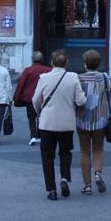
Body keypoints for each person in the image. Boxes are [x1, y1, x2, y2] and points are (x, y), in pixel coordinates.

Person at [32, 50, 86, 201]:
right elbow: (81, 101)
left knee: (47, 156)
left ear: (52, 63)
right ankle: (64, 178)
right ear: (66, 63)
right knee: (65, 153)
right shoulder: (73, 77)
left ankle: (51, 189)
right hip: (66, 123)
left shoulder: (44, 78)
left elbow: (35, 99)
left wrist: (40, 112)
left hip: (47, 123)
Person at [76, 50, 111, 195]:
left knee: (84, 150)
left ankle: (87, 185)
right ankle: (98, 174)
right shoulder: (105, 78)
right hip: (101, 119)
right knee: (98, 148)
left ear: (85, 64)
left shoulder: (78, 79)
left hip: (82, 120)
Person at [13, 51, 52, 145]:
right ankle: (41, 135)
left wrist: (16, 98)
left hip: (30, 98)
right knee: (43, 116)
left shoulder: (28, 70)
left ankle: (33, 136)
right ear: (42, 59)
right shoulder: (48, 70)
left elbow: (21, 84)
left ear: (32, 59)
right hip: (44, 97)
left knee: (31, 117)